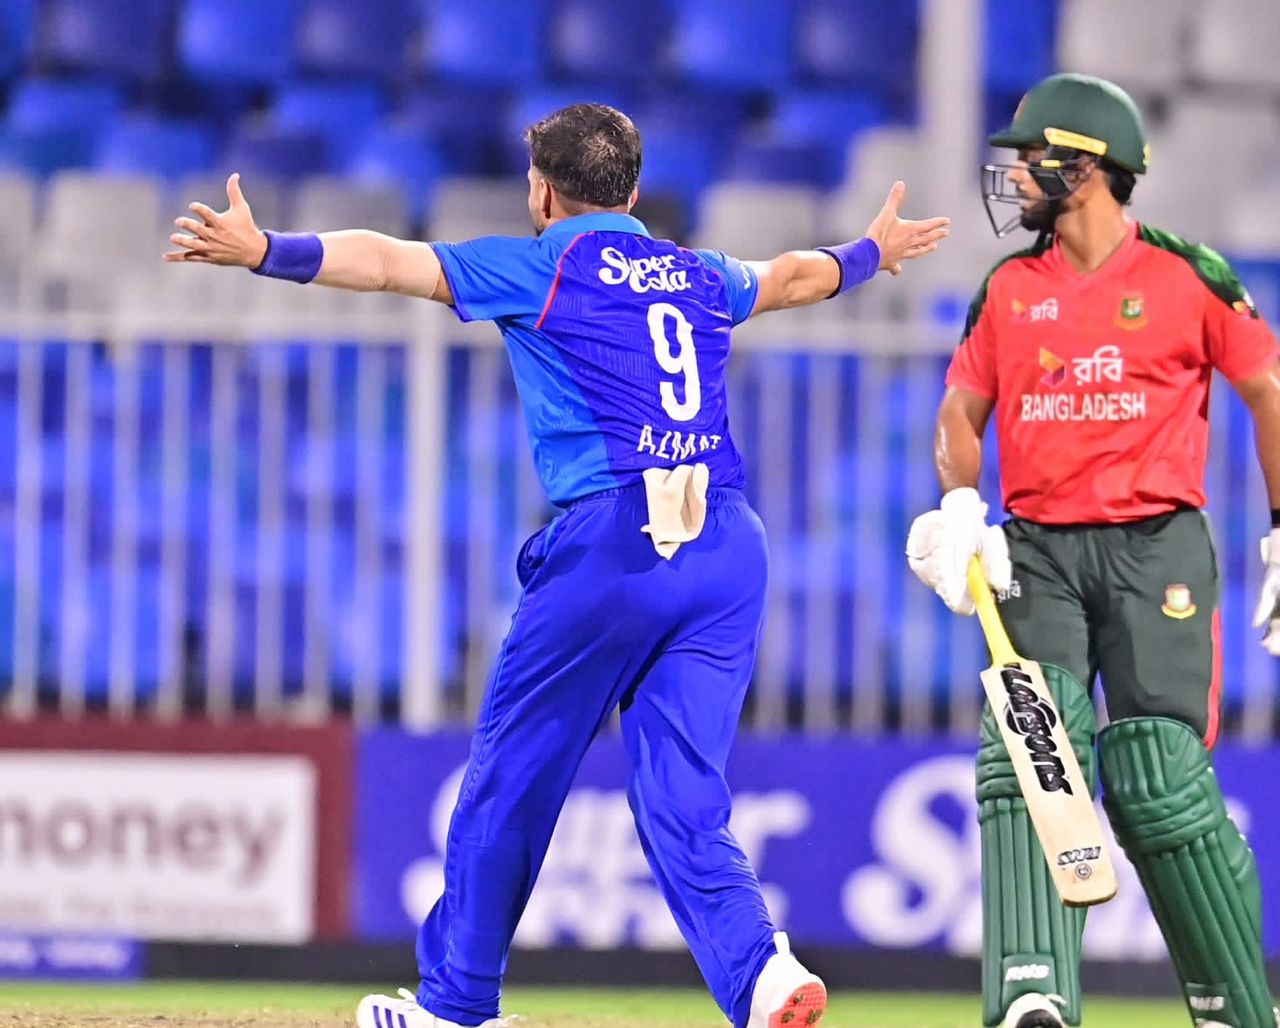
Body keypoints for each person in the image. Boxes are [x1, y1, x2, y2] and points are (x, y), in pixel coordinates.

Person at [166, 102, 949, 1028]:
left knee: (512, 775)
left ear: (543, 192)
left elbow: (384, 261)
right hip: (729, 544)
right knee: (685, 796)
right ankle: (763, 975)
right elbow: (791, 277)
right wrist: (868, 253)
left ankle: (456, 1006)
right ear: (632, 191)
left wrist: (267, 251)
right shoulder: (698, 272)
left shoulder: (543, 266)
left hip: (615, 541)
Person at [906, 73, 1280, 1028]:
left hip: (1159, 550)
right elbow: (960, 410)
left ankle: (1237, 1010)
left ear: (1086, 166)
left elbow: (1268, 389)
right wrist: (961, 504)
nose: (1016, 175)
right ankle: (1032, 994)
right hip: (1038, 550)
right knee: (1032, 742)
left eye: (1033, 157)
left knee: (1158, 775)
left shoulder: (1190, 274)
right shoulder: (1009, 289)